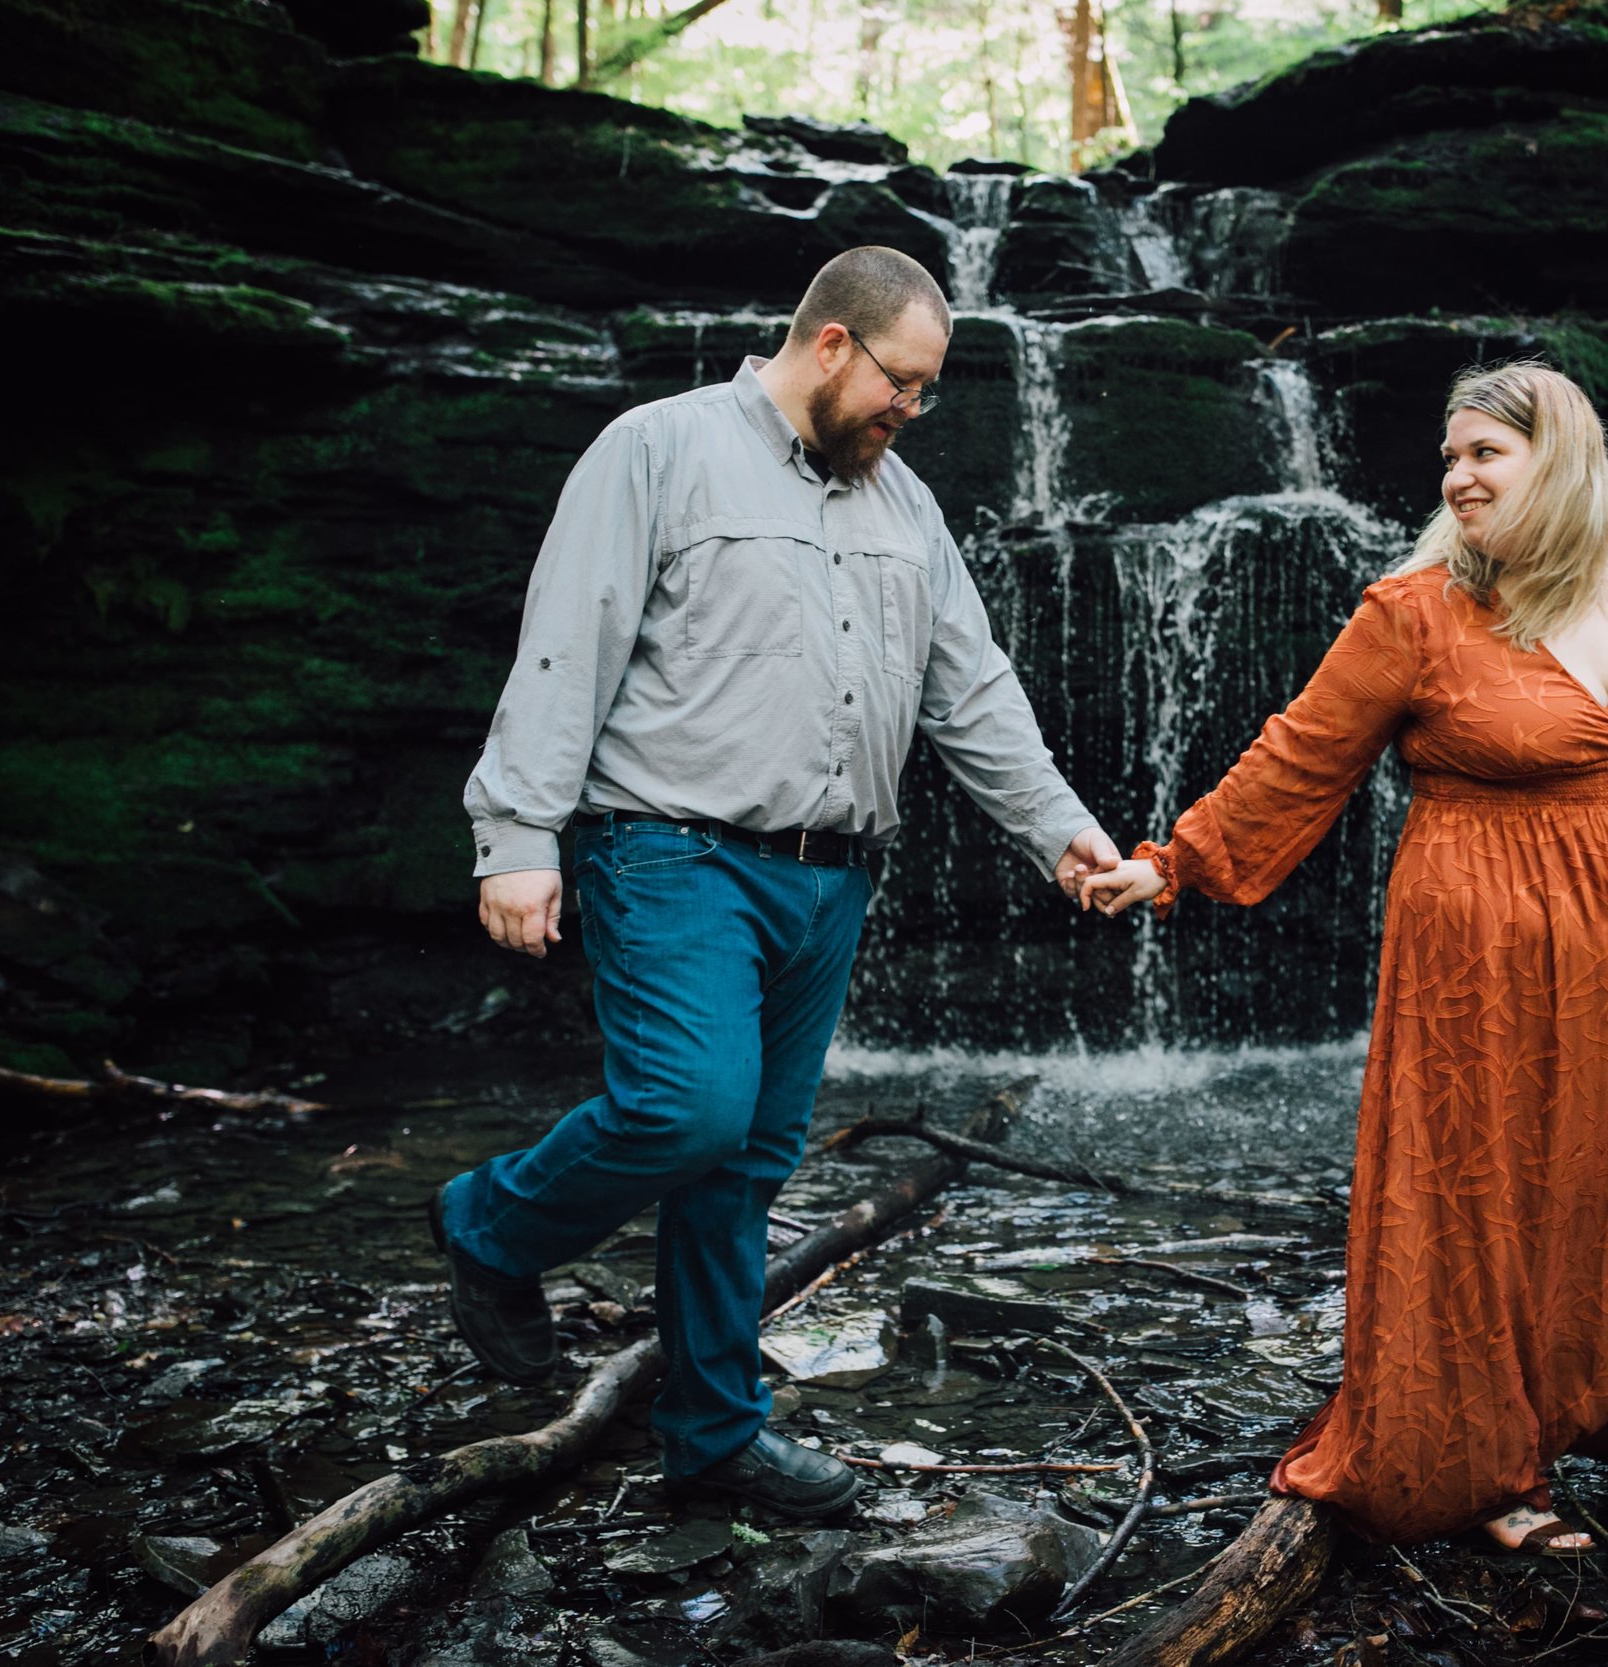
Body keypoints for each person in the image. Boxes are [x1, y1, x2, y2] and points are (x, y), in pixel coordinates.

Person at [1080, 361, 1608, 1554]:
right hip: (1485, 936)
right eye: (1450, 458)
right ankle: (1494, 1471)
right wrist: (1169, 862)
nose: (1456, 476)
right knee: (1498, 1195)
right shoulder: (1417, 609)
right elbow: (1302, 755)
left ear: (1563, 459)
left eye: (1484, 452)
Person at [442, 246, 1117, 1519]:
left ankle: (713, 1435)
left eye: (923, 390)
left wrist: (1059, 833)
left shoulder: (903, 505)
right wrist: (519, 834)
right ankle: (489, 1226)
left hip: (831, 876)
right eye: (902, 383)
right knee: (687, 1109)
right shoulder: (658, 448)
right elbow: (566, 638)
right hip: (671, 848)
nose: (911, 409)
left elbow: (967, 689)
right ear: (831, 345)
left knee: (745, 1162)